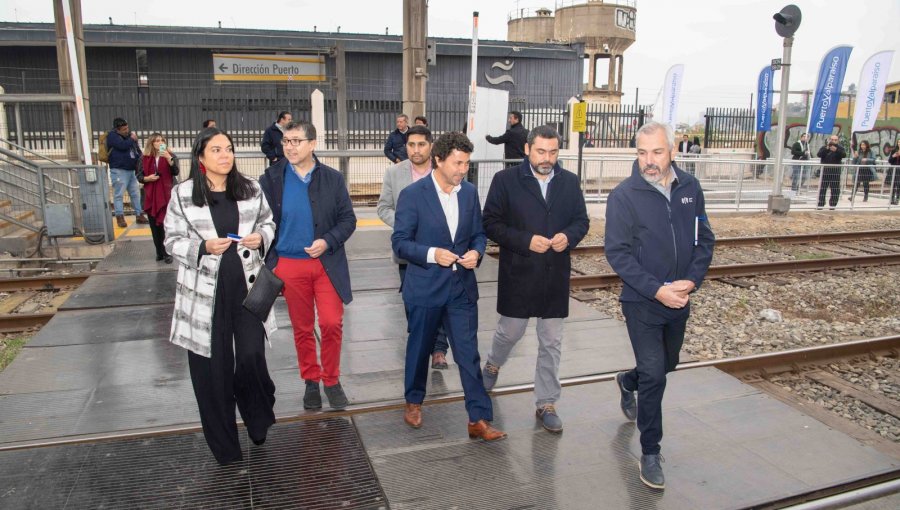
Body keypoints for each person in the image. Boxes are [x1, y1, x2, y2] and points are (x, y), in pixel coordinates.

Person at [604, 121, 715, 489]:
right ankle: (650, 452)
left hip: (679, 299)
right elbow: (617, 254)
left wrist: (692, 280)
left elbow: (705, 241)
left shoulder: (690, 188)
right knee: (655, 376)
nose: (649, 161)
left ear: (673, 150)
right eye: (642, 152)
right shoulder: (624, 195)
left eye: (657, 152)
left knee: (666, 365)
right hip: (642, 301)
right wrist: (656, 290)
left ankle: (626, 380)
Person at [163, 127, 277, 466]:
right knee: (212, 372)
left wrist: (260, 236)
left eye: (228, 149)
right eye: (216, 150)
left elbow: (270, 224)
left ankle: (258, 418)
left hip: (248, 289)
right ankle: (225, 447)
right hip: (202, 295)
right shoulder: (182, 194)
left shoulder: (251, 189)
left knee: (251, 357)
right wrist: (202, 247)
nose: (225, 155)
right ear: (201, 157)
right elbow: (171, 241)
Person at [391, 131, 506, 442]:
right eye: (457, 163)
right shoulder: (413, 195)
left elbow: (478, 234)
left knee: (468, 354)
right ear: (438, 160)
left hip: (461, 289)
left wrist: (477, 253)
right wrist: (432, 254)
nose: (462, 170)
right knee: (419, 349)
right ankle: (414, 401)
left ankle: (478, 419)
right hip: (425, 288)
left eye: (467, 163)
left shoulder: (468, 193)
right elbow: (400, 243)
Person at [481, 125, 589, 433]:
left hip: (555, 275)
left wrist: (568, 236)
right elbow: (490, 222)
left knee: (551, 341)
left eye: (553, 152)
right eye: (541, 151)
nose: (547, 158)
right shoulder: (506, 181)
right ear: (527, 149)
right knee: (509, 332)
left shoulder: (569, 182)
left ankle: (546, 403)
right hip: (519, 272)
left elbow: (581, 220)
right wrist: (525, 240)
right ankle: (492, 364)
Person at [259, 121, 356, 411]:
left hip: (326, 264)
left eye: (296, 141)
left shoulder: (332, 179)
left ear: (312, 144)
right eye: (286, 141)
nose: (289, 146)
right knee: (301, 327)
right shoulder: (271, 179)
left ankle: (332, 379)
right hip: (289, 265)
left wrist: (327, 241)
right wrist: (273, 262)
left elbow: (348, 220)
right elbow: (261, 221)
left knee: (330, 323)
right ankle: (311, 381)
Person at [376, 124, 452, 370]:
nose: (416, 150)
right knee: (414, 303)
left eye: (421, 144)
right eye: (411, 145)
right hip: (409, 253)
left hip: (442, 251)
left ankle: (439, 350)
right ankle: (421, 339)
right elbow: (383, 207)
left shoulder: (444, 170)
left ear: (431, 146)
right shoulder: (394, 173)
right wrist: (405, 225)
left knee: (441, 300)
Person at [136, 132, 178, 263]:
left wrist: (169, 160)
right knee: (154, 226)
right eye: (157, 141)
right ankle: (159, 251)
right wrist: (147, 178)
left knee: (166, 225)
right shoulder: (144, 158)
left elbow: (175, 172)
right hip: (151, 195)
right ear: (152, 143)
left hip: (167, 194)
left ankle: (167, 252)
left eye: (162, 140)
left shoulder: (170, 156)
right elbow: (139, 175)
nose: (160, 143)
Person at [106, 118, 148, 227]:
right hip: (119, 169)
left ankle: (139, 214)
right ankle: (120, 216)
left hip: (131, 170)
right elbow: (122, 146)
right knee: (119, 194)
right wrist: (132, 139)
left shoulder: (129, 137)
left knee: (135, 193)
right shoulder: (112, 136)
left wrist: (141, 159)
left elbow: (136, 150)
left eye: (127, 128)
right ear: (117, 129)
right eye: (124, 129)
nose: (126, 130)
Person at [817, 134, 846, 209]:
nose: (833, 141)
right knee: (822, 188)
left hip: (835, 172)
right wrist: (826, 149)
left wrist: (836, 150)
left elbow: (843, 155)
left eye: (835, 140)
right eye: (832, 139)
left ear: (837, 141)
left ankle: (833, 205)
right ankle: (820, 204)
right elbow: (819, 154)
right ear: (830, 140)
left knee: (835, 189)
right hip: (825, 171)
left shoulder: (840, 148)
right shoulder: (824, 147)